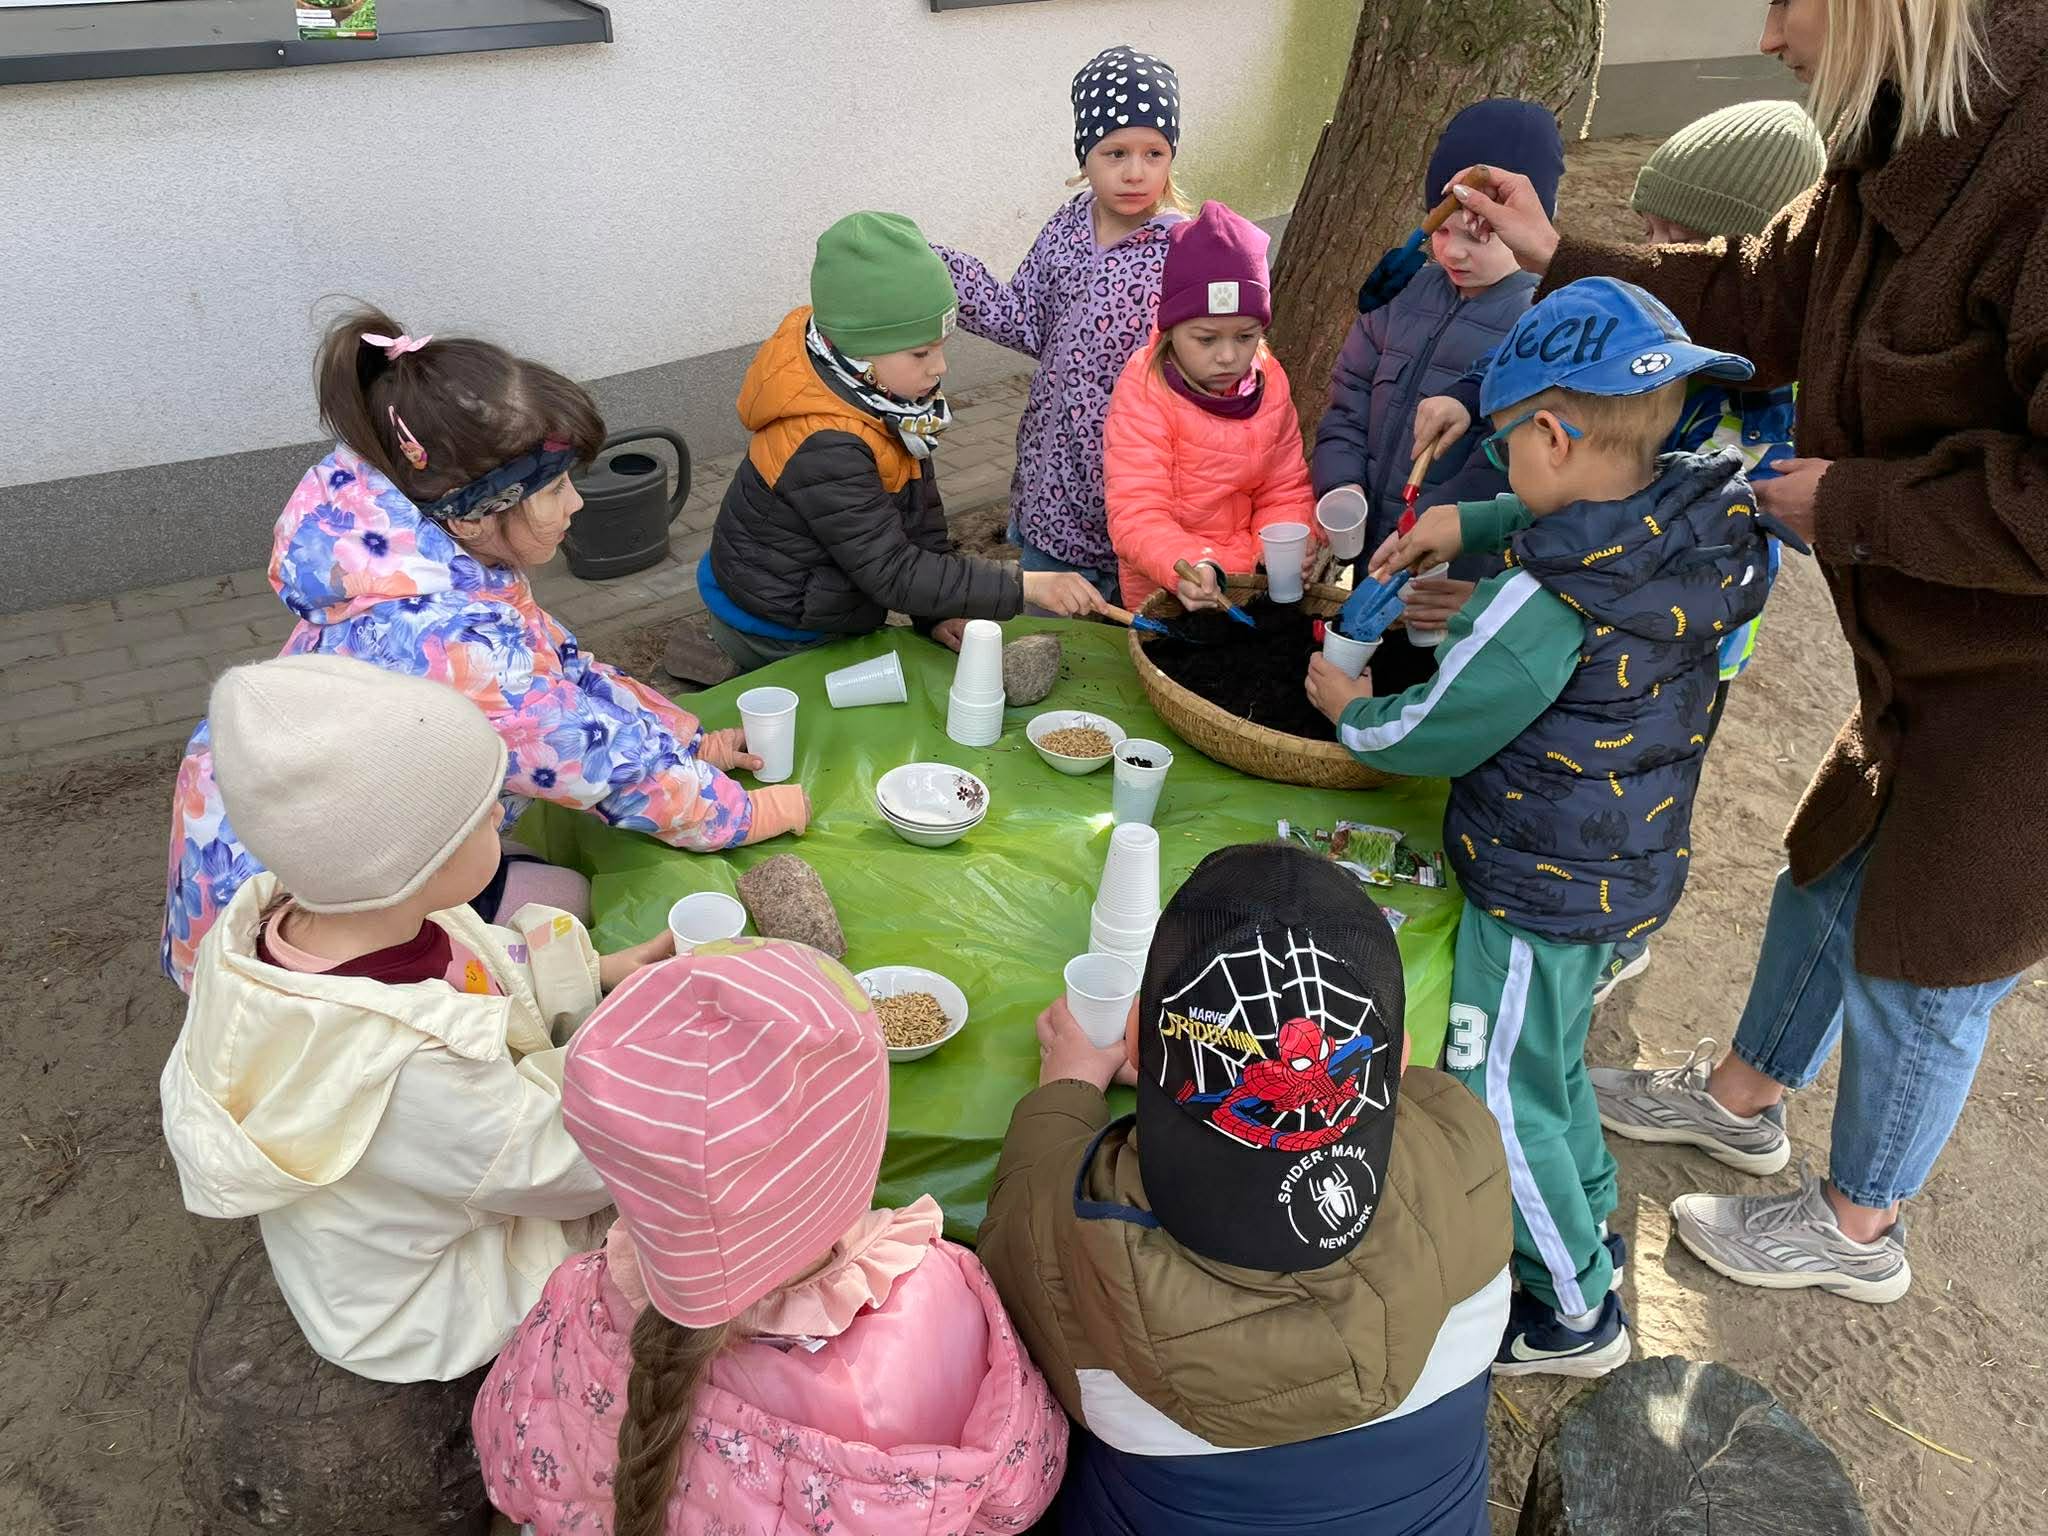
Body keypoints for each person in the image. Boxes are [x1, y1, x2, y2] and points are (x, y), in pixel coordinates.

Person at [1440, 0, 2047, 1304]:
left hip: (2024, 696)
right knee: (1828, 873)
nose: (1767, 36)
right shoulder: (1905, 122)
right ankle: (1740, 1098)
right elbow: (1757, 294)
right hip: (1924, 660)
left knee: (1932, 967)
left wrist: (1855, 506)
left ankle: (1858, 1227)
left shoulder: (2030, 160)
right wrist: (1558, 253)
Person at [1309, 278, 1790, 1375]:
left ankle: (1571, 1313)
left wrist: (1352, 714)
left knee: (1496, 1091)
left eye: (1506, 449)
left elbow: (1437, 722)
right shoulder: (1693, 519)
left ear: (1555, 437)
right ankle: (1590, 1224)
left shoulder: (1542, 605)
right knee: (1553, 1065)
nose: (1501, 470)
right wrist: (1472, 520)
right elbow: (1582, 520)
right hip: (1625, 861)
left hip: (1536, 882)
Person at [160, 308, 806, 994]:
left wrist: (689, 740)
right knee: (558, 905)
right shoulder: (451, 639)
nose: (576, 505)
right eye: (554, 488)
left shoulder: (413, 546)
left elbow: (563, 670)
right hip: (302, 927)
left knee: (503, 857)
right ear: (474, 513)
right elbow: (591, 759)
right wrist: (742, 814)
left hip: (309, 834)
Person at [160, 656, 671, 1382]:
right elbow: (563, 1164)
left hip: (426, 1201)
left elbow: (491, 965)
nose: (502, 817)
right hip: (426, 1302)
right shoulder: (404, 1065)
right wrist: (670, 1093)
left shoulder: (347, 917)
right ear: (418, 862)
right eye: (484, 811)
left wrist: (600, 972)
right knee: (657, 1231)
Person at [977, 842, 1511, 1534]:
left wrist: (1070, 1083)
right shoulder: (1470, 1151)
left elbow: (1011, 1241)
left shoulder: (1080, 1247)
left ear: (1134, 1039)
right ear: (1402, 1058)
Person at [474, 939, 1067, 1536]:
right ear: (856, 1156)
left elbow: (511, 1459)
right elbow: (1018, 1491)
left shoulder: (578, 1301)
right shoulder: (939, 1301)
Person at [700, 211, 1106, 672]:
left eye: (941, 347)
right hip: (776, 625)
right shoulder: (826, 442)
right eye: (921, 352)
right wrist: (1024, 585)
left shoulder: (886, 401)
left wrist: (937, 612)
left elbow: (919, 518)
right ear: (861, 349)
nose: (940, 367)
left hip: (824, 599)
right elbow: (891, 570)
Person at [1312, 99, 1564, 695]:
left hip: (1455, 579)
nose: (1452, 252)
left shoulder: (1540, 321)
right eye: (1443, 230)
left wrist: (1431, 523)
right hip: (1374, 549)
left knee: (1427, 686)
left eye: (1478, 236)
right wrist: (1340, 483)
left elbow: (1506, 462)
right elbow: (1348, 403)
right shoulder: (1400, 295)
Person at [935, 45, 1190, 603]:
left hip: (1135, 507)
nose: (1135, 172)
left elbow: (1209, 376)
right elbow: (1026, 320)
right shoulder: (1068, 226)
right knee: (1047, 640)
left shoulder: (1186, 250)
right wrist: (944, 271)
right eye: (1115, 152)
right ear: (1084, 156)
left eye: (1154, 153)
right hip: (1051, 499)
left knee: (1127, 644)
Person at [1103, 200, 1317, 611]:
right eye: (1206, 339)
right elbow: (1136, 513)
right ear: (1171, 329)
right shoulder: (1145, 390)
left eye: (1245, 336)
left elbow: (1283, 488)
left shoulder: (1269, 378)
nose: (1228, 357)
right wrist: (1192, 565)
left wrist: (1280, 545)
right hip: (1173, 591)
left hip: (1254, 587)